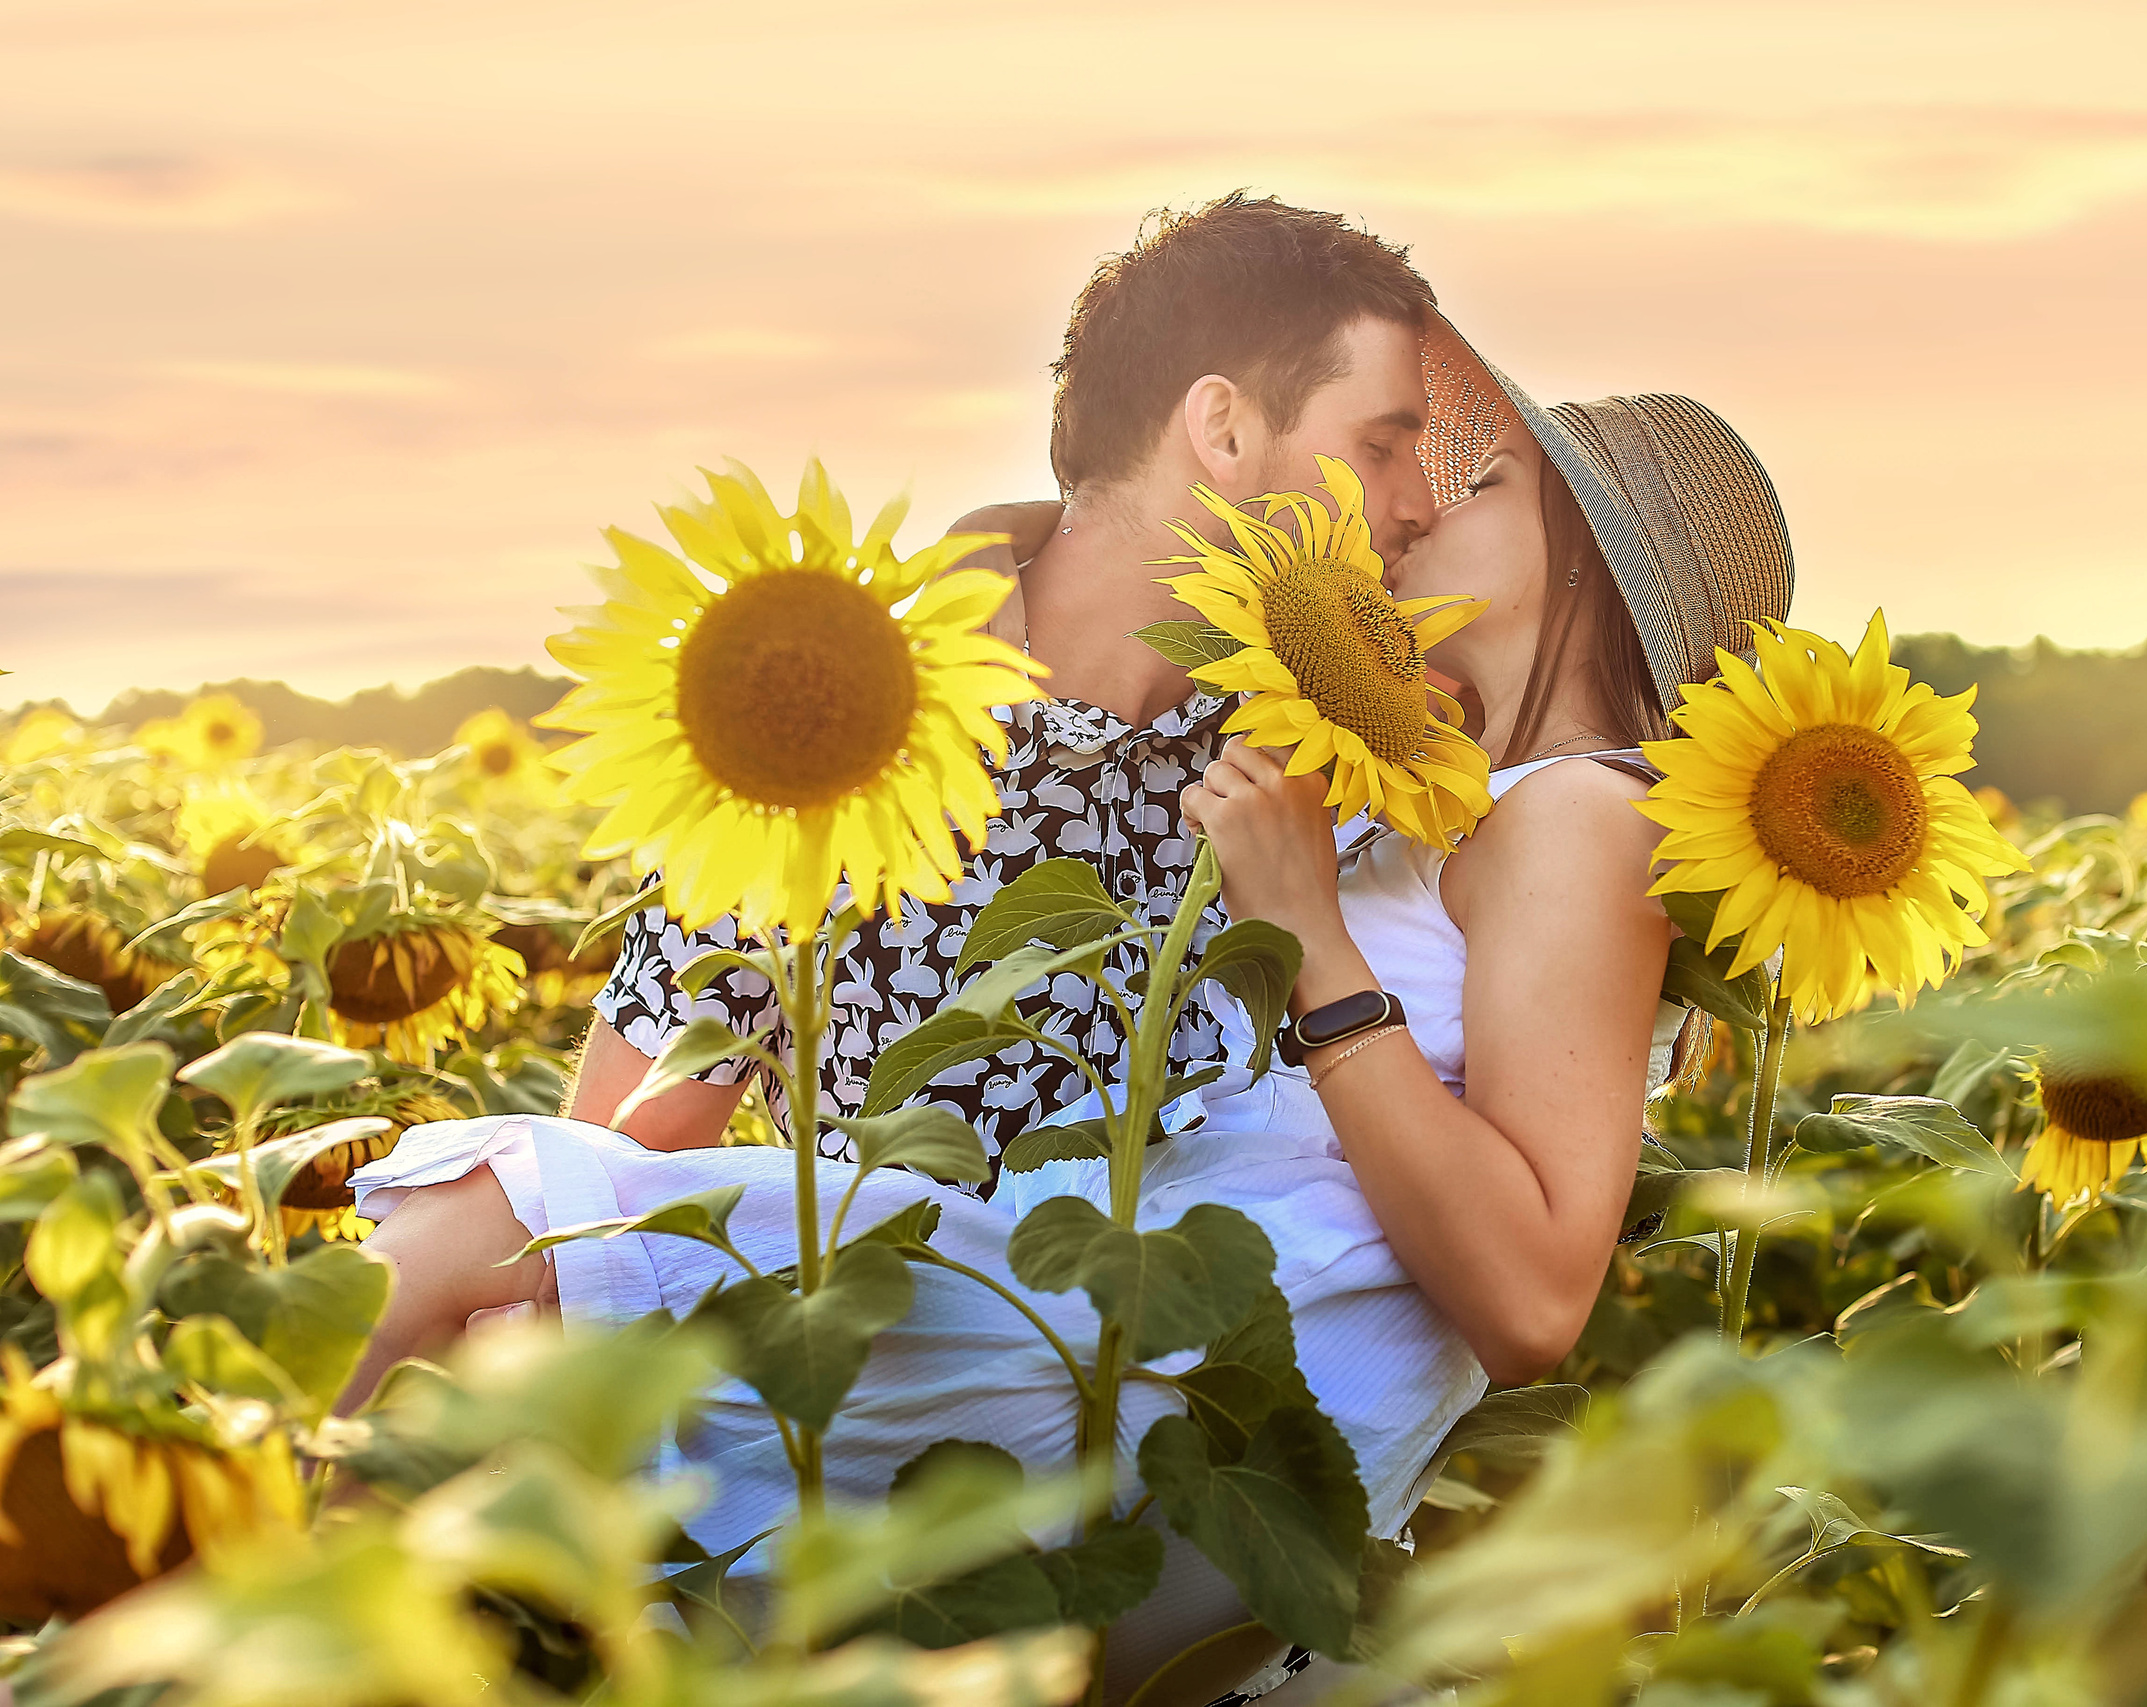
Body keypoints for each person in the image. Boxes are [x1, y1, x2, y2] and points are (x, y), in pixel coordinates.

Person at [344, 318, 1795, 1703]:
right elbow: (1102, 617)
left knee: (487, 1225)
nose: (1413, 510)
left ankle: (204, 1626)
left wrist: (1306, 936)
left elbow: (1537, 1291)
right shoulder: (1446, 797)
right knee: (517, 1335)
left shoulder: (1580, 820)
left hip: (1186, 1372)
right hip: (1136, 1337)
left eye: (1480, 483)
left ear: (1589, 572)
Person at [570, 191, 1441, 1167]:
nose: (1421, 504)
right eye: (1379, 447)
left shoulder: (1321, 758)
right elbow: (599, 1193)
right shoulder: (824, 725)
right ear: (1224, 431)